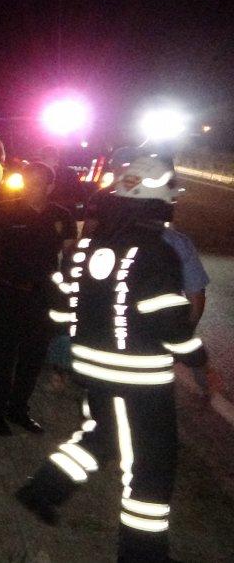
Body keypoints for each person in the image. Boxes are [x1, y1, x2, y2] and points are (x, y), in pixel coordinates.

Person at [14, 155, 207, 562]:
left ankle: (42, 490)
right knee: (151, 467)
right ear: (159, 199)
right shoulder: (156, 252)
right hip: (140, 380)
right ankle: (142, 554)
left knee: (101, 436)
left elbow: (60, 306)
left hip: (93, 370)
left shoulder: (89, 245)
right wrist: (197, 358)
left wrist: (76, 343)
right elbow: (170, 322)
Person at [0, 162, 76, 435]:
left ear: (50, 186)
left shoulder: (62, 216)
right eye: (29, 181)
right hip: (9, 293)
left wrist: (72, 289)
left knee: (33, 358)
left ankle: (18, 410)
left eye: (39, 182)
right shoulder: (3, 210)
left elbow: (70, 257)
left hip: (44, 298)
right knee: (1, 358)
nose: (32, 187)